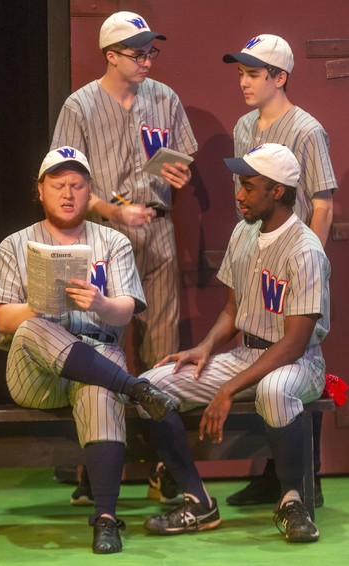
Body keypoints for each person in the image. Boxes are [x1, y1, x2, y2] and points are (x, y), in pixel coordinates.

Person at [0, 146, 178, 554]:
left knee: (98, 387)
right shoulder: (15, 244)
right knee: (33, 326)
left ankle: (105, 519)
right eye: (58, 185)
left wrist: (101, 304)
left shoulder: (112, 241)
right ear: (40, 190)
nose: (67, 193)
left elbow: (126, 309)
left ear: (89, 192)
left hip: (95, 357)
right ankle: (135, 388)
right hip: (36, 374)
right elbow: (1, 319)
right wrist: (39, 304)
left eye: (77, 185)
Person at [139, 143, 330, 543]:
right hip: (247, 353)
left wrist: (228, 389)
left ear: (277, 191)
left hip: (299, 363)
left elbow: (295, 342)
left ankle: (293, 501)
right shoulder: (244, 232)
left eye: (248, 186)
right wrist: (205, 348)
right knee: (149, 387)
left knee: (275, 390)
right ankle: (198, 501)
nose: (238, 195)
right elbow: (232, 310)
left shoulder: (305, 249)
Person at [50, 10, 195, 505]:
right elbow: (67, 185)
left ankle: (164, 466)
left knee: (160, 351)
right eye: (138, 53)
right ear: (110, 55)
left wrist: (179, 176)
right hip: (101, 235)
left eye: (152, 51)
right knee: (99, 349)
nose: (148, 61)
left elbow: (182, 160)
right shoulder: (81, 105)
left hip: (156, 229)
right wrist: (113, 209)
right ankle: (96, 467)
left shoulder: (166, 98)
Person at [222, 33, 337, 507]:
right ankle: (274, 473)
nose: (244, 82)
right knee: (259, 353)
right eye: (241, 73)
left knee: (292, 356)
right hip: (256, 256)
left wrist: (305, 262)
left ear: (280, 77)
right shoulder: (244, 126)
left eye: (253, 73)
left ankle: (302, 477)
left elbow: (324, 203)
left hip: (295, 263)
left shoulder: (306, 129)